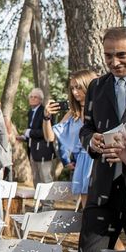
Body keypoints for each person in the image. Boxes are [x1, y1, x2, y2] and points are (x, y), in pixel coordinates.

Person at [74, 27, 126, 252]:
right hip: (103, 190)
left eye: (121, 54)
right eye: (109, 55)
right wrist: (92, 141)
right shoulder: (97, 86)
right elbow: (87, 128)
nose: (114, 61)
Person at [42, 70, 97, 208]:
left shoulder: (100, 107)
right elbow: (50, 137)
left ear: (88, 85)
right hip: (82, 161)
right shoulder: (73, 113)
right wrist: (46, 117)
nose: (74, 92)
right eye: (72, 88)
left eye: (78, 87)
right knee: (87, 208)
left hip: (97, 159)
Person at [16, 88, 56, 187]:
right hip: (33, 151)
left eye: (35, 97)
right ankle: (39, 201)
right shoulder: (31, 112)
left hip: (44, 151)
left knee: (45, 178)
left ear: (41, 100)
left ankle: (48, 202)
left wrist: (29, 132)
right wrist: (24, 137)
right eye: (31, 97)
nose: (32, 99)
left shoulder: (45, 111)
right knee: (36, 178)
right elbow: (32, 132)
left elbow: (47, 132)